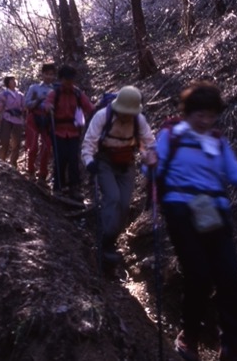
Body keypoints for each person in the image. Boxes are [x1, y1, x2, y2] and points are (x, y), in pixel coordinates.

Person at [154, 80, 237, 361]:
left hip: (213, 210)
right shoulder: (171, 135)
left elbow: (234, 175)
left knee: (229, 276)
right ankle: (189, 337)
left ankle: (232, 346)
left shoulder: (217, 140)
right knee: (198, 274)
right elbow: (154, 170)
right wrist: (148, 162)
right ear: (188, 113)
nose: (206, 120)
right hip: (179, 208)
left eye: (211, 115)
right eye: (201, 114)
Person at [82, 86, 157, 269]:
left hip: (127, 163)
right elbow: (89, 142)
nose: (127, 116)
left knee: (124, 204)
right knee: (113, 198)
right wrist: (89, 161)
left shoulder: (139, 120)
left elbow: (149, 143)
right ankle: (105, 243)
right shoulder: (102, 116)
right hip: (104, 161)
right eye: (124, 112)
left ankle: (111, 239)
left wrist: (150, 156)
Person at [42, 64, 95, 194]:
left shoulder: (77, 94)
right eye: (66, 80)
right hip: (57, 131)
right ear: (61, 80)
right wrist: (49, 108)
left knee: (73, 158)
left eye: (71, 80)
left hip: (73, 132)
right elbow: (47, 103)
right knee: (60, 158)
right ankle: (58, 186)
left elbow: (89, 107)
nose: (69, 83)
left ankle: (74, 186)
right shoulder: (55, 93)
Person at [24, 63, 56, 184]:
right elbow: (26, 104)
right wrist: (39, 100)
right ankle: (30, 170)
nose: (49, 77)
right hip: (34, 117)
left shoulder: (55, 89)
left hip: (48, 119)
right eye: (46, 74)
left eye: (51, 74)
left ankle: (43, 174)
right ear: (42, 74)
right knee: (33, 145)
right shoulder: (34, 88)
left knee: (47, 146)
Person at [0, 75, 25, 168]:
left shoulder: (20, 94)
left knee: (17, 142)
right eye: (11, 80)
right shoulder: (4, 94)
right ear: (7, 83)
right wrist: (3, 105)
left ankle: (13, 162)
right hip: (7, 118)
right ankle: (2, 161)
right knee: (5, 141)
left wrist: (22, 112)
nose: (14, 82)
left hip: (18, 120)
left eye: (14, 80)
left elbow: (24, 107)